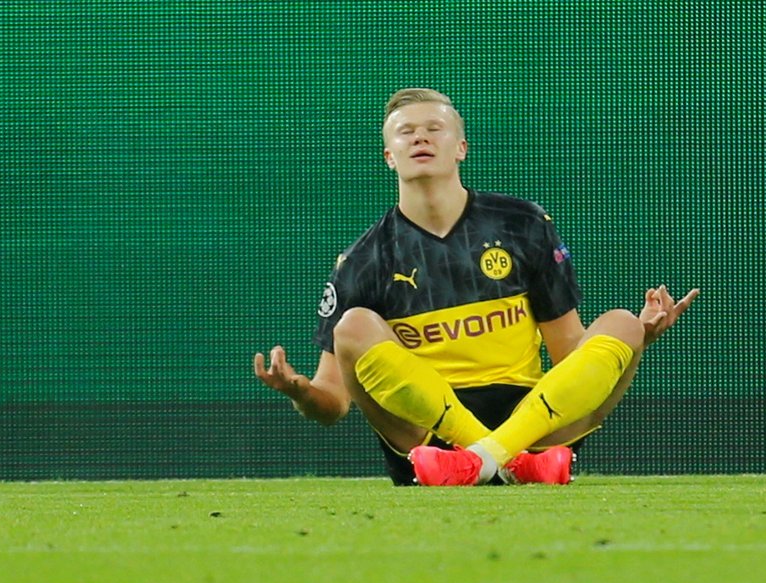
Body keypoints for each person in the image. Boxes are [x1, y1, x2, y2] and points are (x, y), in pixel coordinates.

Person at [254, 88, 698, 486]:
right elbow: (333, 403)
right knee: (352, 325)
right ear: (389, 156)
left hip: (532, 429)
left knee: (622, 323)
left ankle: (488, 459)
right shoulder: (364, 260)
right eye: (406, 132)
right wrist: (299, 390)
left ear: (461, 148)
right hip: (431, 444)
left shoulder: (522, 224)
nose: (420, 137)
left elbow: (568, 354)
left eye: (434, 128)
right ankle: (499, 460)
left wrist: (635, 340)